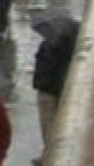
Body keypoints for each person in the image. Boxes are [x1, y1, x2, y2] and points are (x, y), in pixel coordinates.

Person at [33, 29, 77, 163]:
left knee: (48, 124)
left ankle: (50, 155)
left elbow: (43, 70)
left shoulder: (47, 46)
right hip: (62, 87)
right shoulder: (70, 45)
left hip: (47, 90)